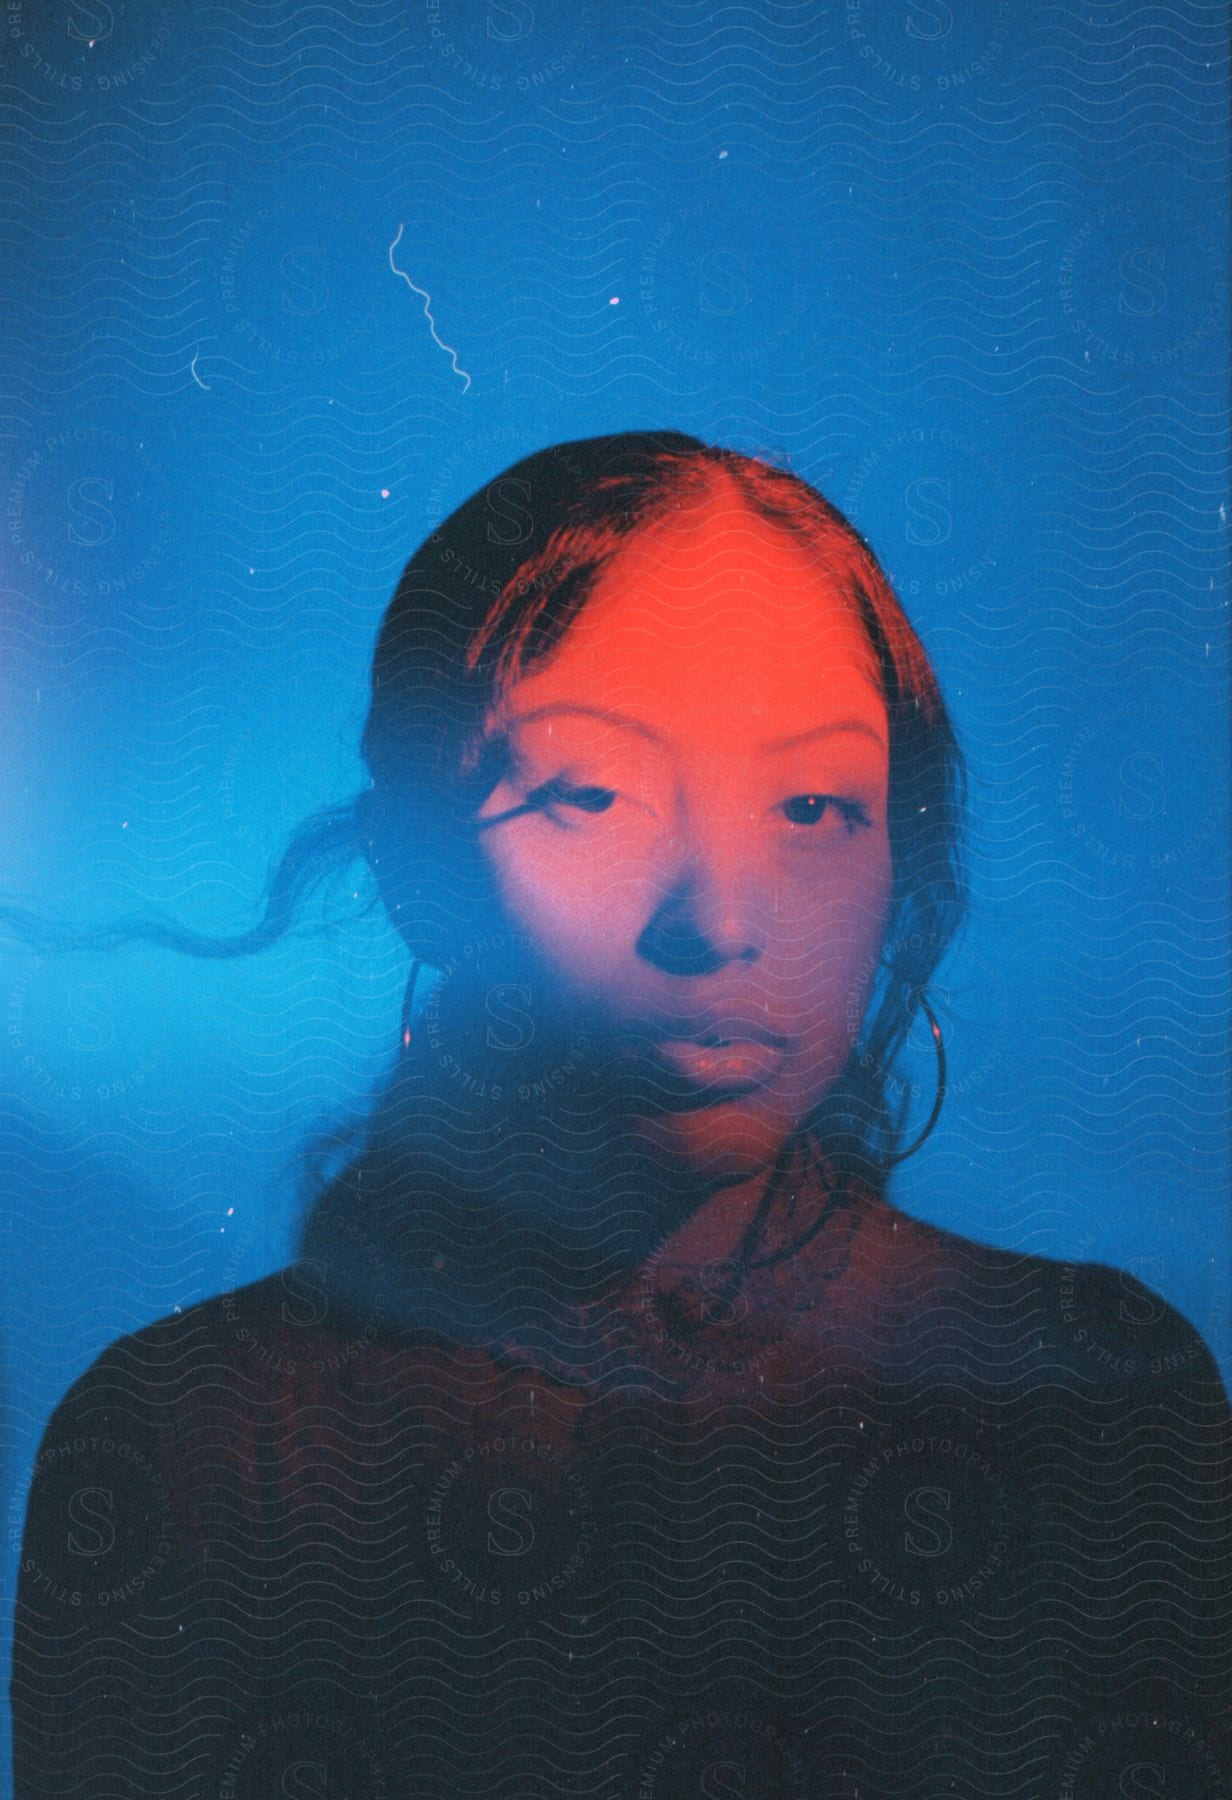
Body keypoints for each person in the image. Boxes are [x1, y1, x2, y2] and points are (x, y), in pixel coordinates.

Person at [11, 432, 1231, 1797]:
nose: (717, 917)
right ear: (419, 866)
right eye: (589, 794)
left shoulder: (1096, 1398)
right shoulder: (193, 1446)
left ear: (907, 854)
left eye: (815, 804)